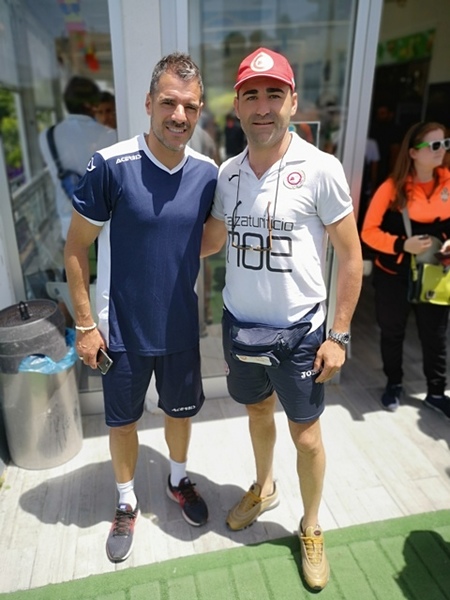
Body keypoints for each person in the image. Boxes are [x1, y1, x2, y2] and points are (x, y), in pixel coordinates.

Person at [201, 47, 363, 591]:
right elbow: (212, 240)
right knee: (256, 412)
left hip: (300, 334)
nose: (263, 106)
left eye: (274, 94)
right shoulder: (227, 174)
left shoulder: (321, 169)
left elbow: (351, 257)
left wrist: (338, 334)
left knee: (308, 438)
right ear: (237, 107)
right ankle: (264, 487)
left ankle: (311, 525)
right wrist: (148, 236)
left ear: (293, 101)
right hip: (241, 326)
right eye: (251, 95)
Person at [64, 52, 218, 563]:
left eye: (190, 106)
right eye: (169, 102)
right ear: (149, 103)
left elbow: (207, 238)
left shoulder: (207, 173)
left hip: (179, 327)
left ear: (199, 111)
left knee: (180, 414)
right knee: (123, 423)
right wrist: (85, 324)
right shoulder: (110, 165)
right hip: (121, 331)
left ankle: (177, 479)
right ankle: (127, 500)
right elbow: (75, 248)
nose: (179, 115)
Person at [361, 121, 450, 416]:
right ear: (413, 152)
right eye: (434, 145)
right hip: (393, 276)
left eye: (445, 144)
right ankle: (394, 384)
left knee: (435, 335)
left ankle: (436, 392)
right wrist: (402, 244)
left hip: (434, 274)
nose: (441, 150)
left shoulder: (448, 182)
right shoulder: (391, 188)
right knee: (393, 332)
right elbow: (368, 233)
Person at [39, 77, 117, 243]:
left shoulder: (46, 136)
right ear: (91, 104)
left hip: (67, 217)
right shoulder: (110, 135)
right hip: (103, 222)